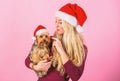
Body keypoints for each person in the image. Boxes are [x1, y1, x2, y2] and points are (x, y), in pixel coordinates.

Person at [25, 3, 87, 81]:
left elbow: (75, 77)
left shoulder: (81, 49)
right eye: (56, 21)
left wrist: (61, 51)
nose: (56, 25)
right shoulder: (48, 40)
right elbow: (27, 60)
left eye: (60, 22)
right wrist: (35, 67)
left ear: (69, 25)